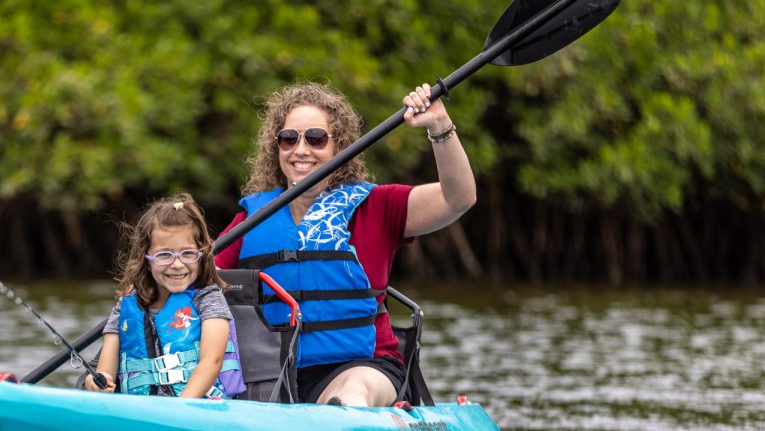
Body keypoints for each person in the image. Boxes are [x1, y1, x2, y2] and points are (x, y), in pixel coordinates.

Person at [215, 81, 476, 407]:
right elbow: (197, 278)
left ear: (338, 146)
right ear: (276, 147)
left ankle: (345, 421)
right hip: (274, 376)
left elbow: (459, 198)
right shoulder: (253, 218)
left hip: (363, 367)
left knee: (351, 393)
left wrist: (439, 125)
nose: (300, 150)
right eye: (288, 139)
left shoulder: (379, 206)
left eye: (315, 138)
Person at [85, 194, 244, 398]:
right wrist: (96, 381)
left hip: (199, 407)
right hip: (143, 410)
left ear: (201, 254)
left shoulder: (208, 298)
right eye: (164, 255)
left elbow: (211, 361)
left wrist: (180, 408)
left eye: (187, 254)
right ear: (146, 259)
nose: (177, 264)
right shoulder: (126, 304)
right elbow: (105, 370)